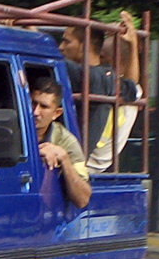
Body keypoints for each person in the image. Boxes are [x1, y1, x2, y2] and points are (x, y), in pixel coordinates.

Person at [59, 12, 141, 173]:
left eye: (66, 41)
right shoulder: (113, 82)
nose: (60, 47)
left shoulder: (89, 77)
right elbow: (133, 85)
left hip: (74, 163)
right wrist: (133, 45)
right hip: (86, 165)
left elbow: (48, 59)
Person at [31, 76, 91, 209]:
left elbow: (83, 199)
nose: (35, 112)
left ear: (56, 113)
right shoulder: (11, 128)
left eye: (44, 107)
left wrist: (64, 158)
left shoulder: (65, 141)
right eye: (33, 103)